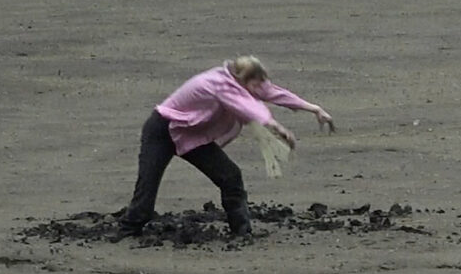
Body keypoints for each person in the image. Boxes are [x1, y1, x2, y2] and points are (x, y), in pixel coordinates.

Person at [111, 56, 334, 241]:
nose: (259, 90)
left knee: (230, 176)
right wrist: (276, 126)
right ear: (241, 80)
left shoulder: (247, 83)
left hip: (192, 135)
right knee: (147, 185)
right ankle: (128, 231)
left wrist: (314, 109)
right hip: (162, 129)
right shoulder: (217, 83)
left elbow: (273, 92)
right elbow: (247, 107)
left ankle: (242, 232)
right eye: (254, 85)